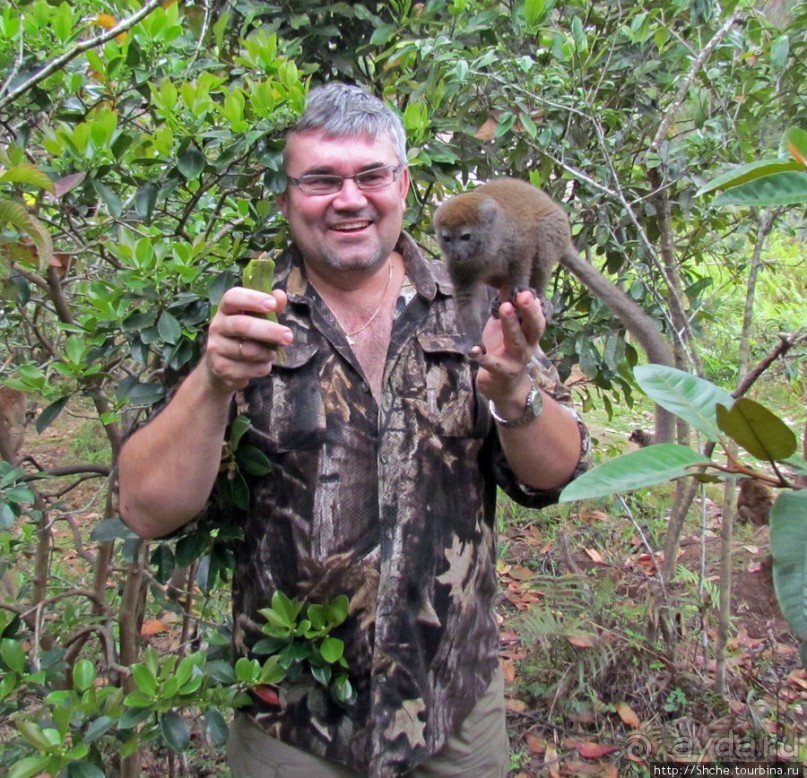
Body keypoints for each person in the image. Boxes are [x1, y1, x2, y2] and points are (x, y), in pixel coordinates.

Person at [117, 83, 590, 777]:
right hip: (294, 723)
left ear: (402, 185)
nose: (348, 199)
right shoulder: (241, 314)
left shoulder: (473, 300)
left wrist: (515, 390)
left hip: (452, 706)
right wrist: (212, 382)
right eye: (319, 180)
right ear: (286, 199)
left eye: (370, 175)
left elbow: (556, 477)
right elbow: (146, 510)